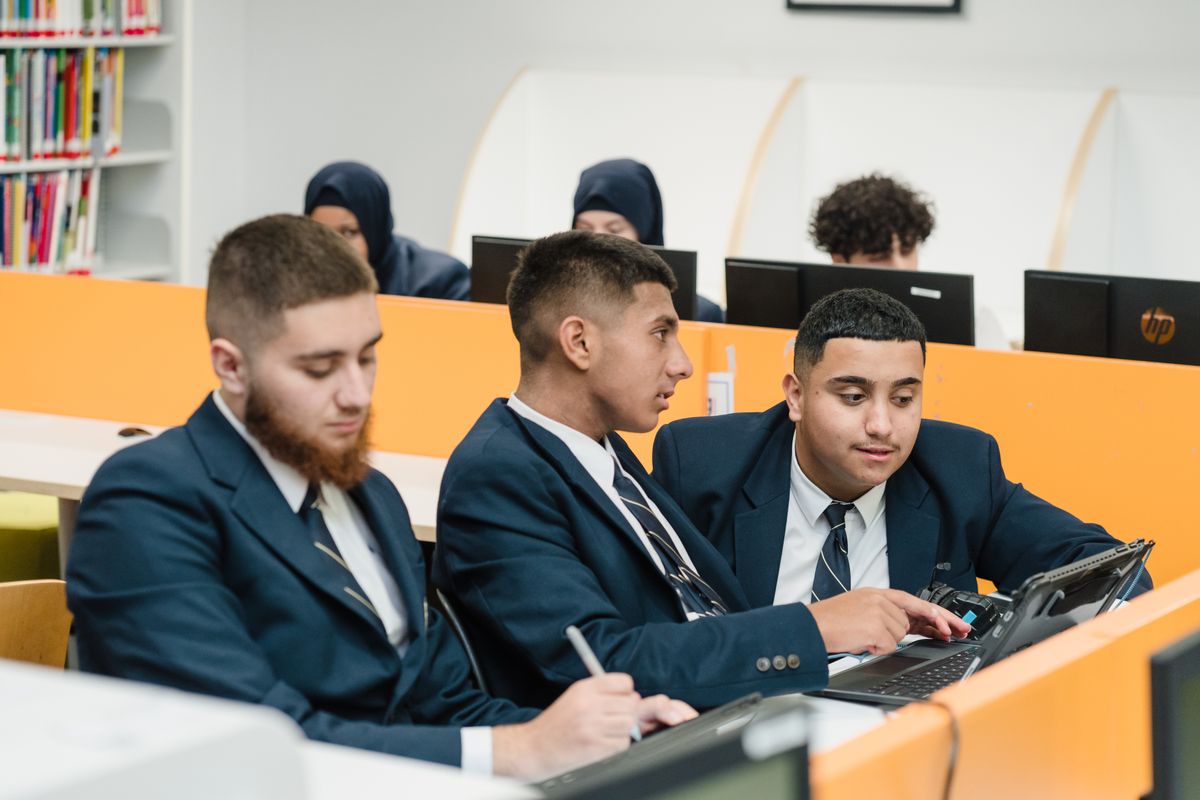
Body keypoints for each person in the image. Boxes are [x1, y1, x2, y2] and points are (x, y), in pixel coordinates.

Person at [65, 215, 695, 779]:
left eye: (366, 359)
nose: (355, 394)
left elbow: (446, 705)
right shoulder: (149, 501)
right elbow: (257, 747)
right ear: (231, 366)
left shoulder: (371, 496)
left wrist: (605, 736)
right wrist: (521, 751)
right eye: (319, 368)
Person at [432, 231, 967, 711]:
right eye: (660, 333)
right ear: (579, 342)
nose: (682, 364)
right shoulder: (498, 476)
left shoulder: (606, 455)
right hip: (655, 746)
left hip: (739, 705)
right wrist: (814, 628)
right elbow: (601, 661)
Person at [652, 288, 1152, 611]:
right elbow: (650, 622)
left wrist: (1006, 630)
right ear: (797, 396)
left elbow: (1110, 567)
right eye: (853, 397)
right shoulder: (702, 464)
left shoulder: (960, 466)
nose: (882, 426)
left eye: (903, 399)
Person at [810, 173, 1009, 348]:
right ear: (839, 260)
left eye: (907, 251)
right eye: (880, 257)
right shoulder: (814, 320)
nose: (900, 266)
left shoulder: (973, 318)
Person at [572, 158, 725, 323]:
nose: (598, 242)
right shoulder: (557, 308)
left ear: (644, 235)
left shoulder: (701, 315)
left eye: (614, 230)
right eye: (585, 229)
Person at [305, 161, 470, 301]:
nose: (333, 249)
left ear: (374, 230)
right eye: (321, 233)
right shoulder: (299, 283)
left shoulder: (440, 283)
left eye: (349, 233)